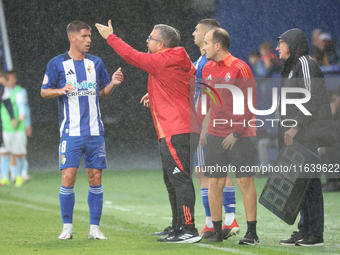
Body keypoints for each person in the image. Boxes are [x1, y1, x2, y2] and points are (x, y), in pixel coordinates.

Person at [95, 21, 201, 243]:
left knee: (179, 179)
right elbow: (182, 82)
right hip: (181, 127)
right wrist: (157, 92)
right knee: (171, 179)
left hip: (176, 128)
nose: (147, 41)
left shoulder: (164, 60)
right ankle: (178, 225)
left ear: (161, 45)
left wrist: (110, 37)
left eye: (150, 38)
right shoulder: (177, 59)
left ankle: (188, 229)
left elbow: (132, 56)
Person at [40, 20, 124, 240]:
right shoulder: (57, 64)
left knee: (95, 177)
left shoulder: (96, 63)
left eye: (90, 37)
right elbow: (44, 92)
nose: (89, 40)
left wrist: (113, 83)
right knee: (68, 176)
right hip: (71, 132)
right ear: (72, 38)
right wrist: (60, 90)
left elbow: (103, 93)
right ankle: (67, 227)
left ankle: (94, 228)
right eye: (85, 36)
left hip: (95, 132)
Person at [200, 28, 259, 245]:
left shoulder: (240, 67)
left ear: (217, 46)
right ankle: (217, 230)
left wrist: (236, 132)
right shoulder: (207, 68)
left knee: (244, 181)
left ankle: (252, 233)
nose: (203, 47)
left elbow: (250, 101)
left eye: (206, 42)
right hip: (215, 134)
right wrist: (205, 128)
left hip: (240, 135)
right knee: (215, 182)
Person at [276, 28, 333, 246]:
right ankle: (304, 230)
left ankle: (315, 234)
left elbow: (312, 99)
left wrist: (295, 127)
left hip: (306, 134)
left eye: (280, 43)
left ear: (291, 44)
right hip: (295, 136)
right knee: (300, 184)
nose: (277, 48)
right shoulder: (292, 67)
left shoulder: (306, 64)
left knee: (310, 184)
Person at [191, 18, 239, 240]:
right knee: (206, 171)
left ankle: (225, 219)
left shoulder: (211, 63)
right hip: (205, 120)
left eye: (197, 30)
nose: (193, 33)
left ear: (210, 35)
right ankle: (216, 221)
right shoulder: (202, 60)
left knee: (214, 171)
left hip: (208, 122)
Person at [0, 71, 27, 187]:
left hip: (18, 128)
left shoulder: (18, 92)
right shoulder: (3, 91)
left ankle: (18, 176)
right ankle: (5, 177)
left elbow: (21, 107)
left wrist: (20, 118)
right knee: (4, 153)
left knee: (18, 154)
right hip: (5, 128)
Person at [0, 71, 16, 186]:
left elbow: (8, 103)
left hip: (2, 124)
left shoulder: (2, 88)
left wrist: (12, 118)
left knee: (3, 149)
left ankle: (6, 176)